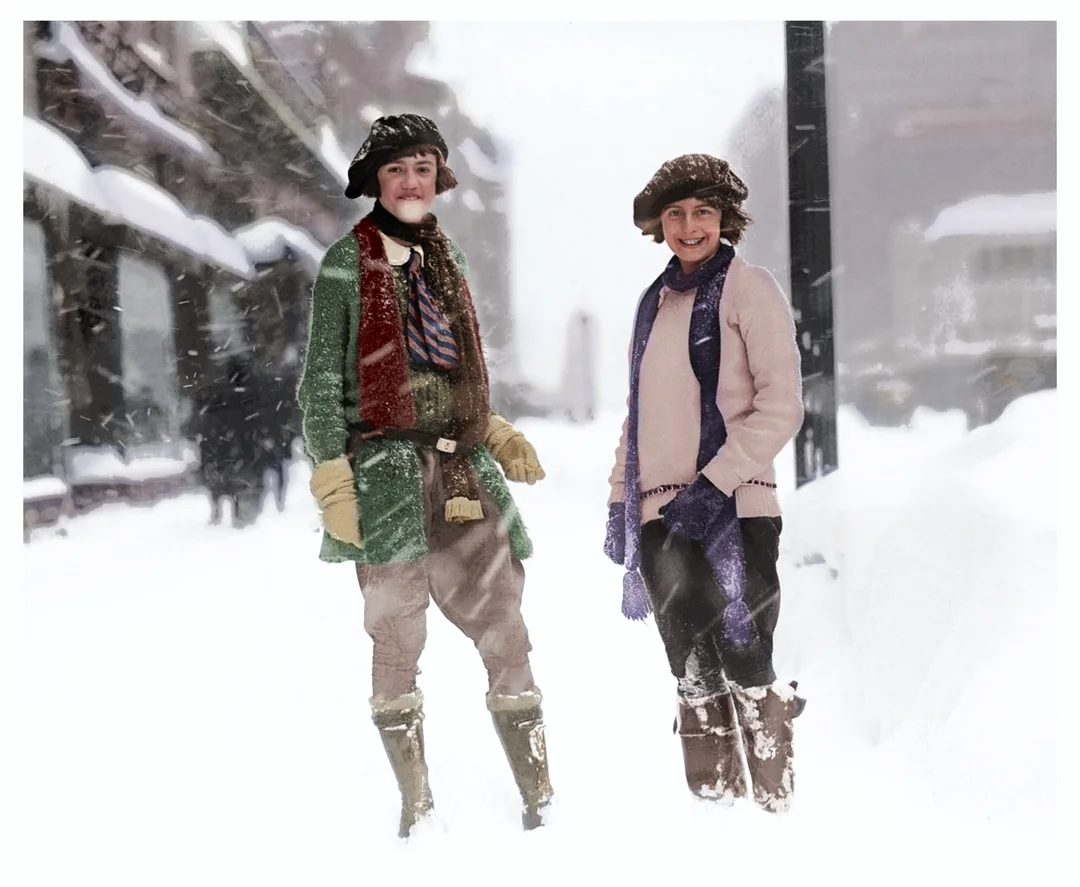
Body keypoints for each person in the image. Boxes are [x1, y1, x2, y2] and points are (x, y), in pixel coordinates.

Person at [297, 114, 553, 837]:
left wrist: (492, 429)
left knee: (504, 625)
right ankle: (417, 805)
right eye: (396, 170)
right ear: (374, 181)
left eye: (422, 168)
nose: (411, 183)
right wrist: (333, 478)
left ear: (438, 176)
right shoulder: (345, 266)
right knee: (395, 634)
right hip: (384, 476)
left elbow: (458, 372)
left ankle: (540, 797)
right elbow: (321, 383)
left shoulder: (447, 261)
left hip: (462, 471)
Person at [604, 154, 806, 813]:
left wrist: (713, 486)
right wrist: (619, 501)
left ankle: (776, 809)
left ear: (725, 218)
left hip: (735, 507)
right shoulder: (654, 303)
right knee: (690, 668)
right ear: (658, 223)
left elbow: (780, 406)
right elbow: (638, 416)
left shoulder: (750, 290)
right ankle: (716, 810)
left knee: (746, 661)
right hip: (660, 516)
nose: (689, 226)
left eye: (703, 211)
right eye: (676, 213)